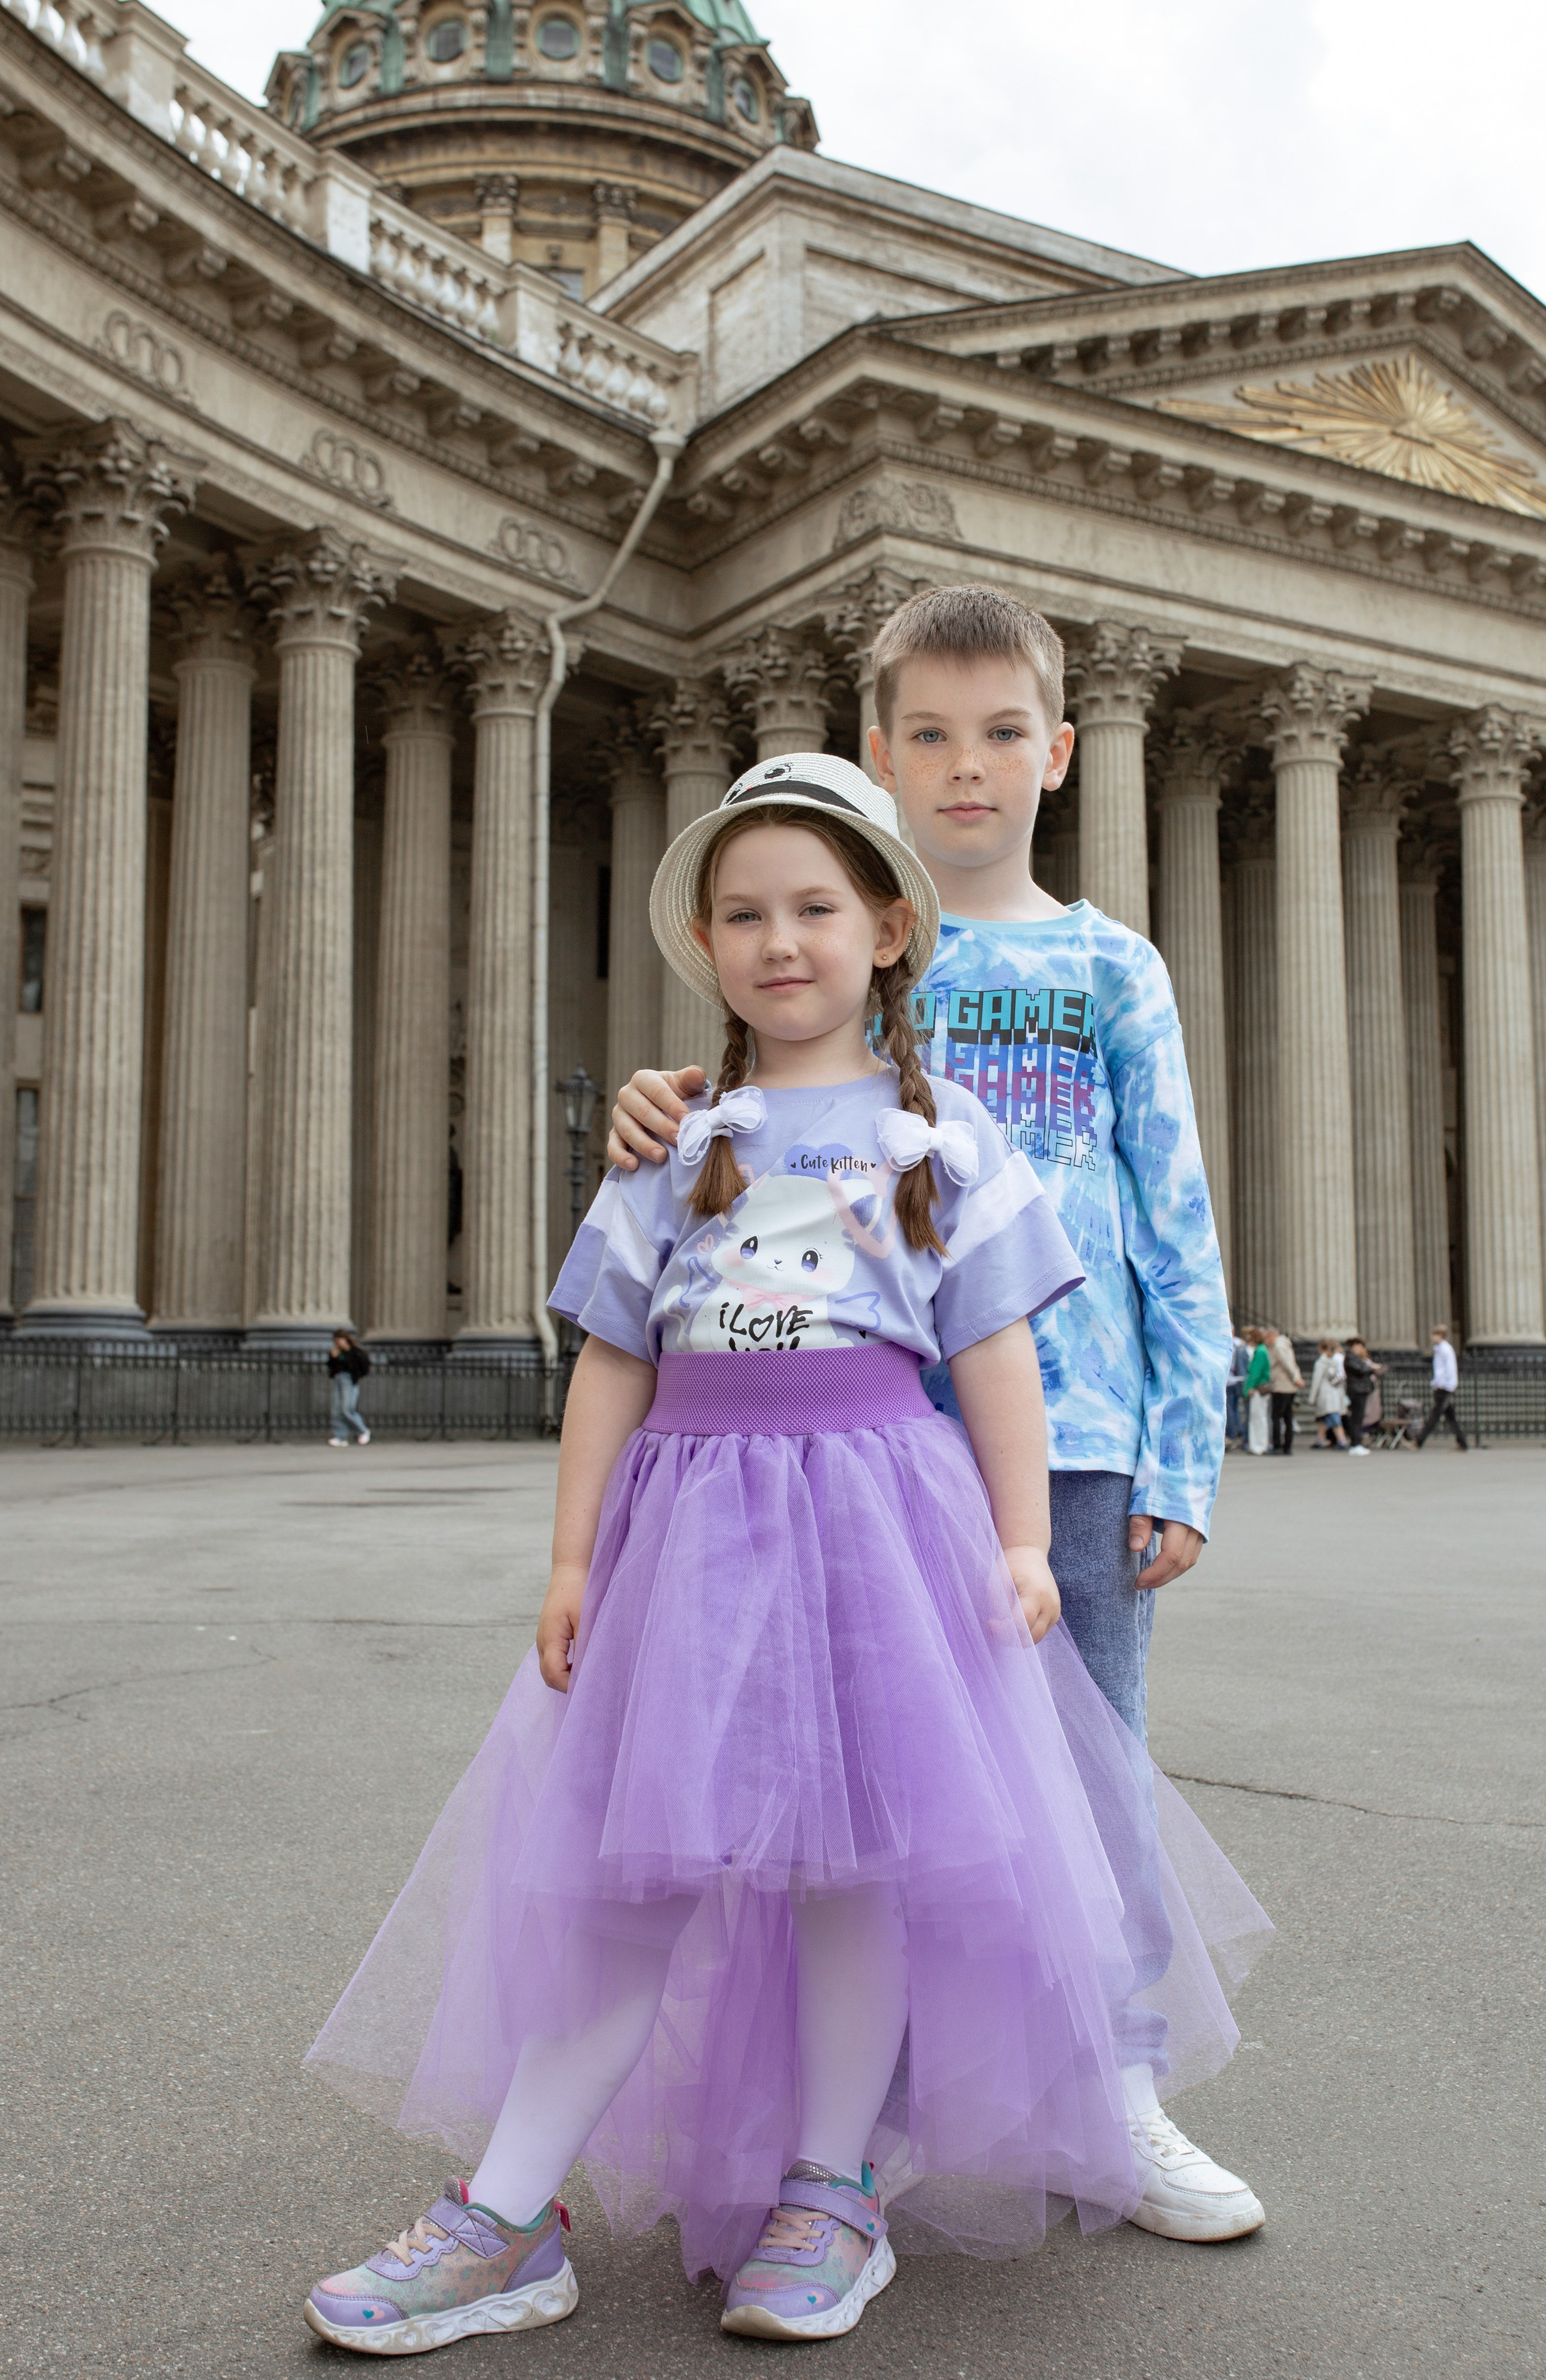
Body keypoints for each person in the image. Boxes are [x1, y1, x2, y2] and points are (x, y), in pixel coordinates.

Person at [301, 760, 1271, 2358]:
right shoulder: (679, 1138)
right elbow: (611, 1356)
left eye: (813, 907)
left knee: (858, 1871)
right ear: (703, 939)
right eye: (743, 912)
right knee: (629, 1868)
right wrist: (567, 1558)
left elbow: (1001, 1355)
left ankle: (831, 2193)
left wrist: (1026, 1539)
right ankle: (508, 2206)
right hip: (687, 1537)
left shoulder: (938, 1131)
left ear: (889, 929)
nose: (778, 939)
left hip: (886, 1526)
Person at [604, 588, 1258, 2235]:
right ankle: (865, 2118)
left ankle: (1115, 2081)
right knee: (860, 1783)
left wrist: (1183, 1449)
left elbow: (1171, 1211)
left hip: (1082, 1430)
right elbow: (754, 1086)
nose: (965, 769)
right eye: (927, 736)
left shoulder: (1111, 962)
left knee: (1086, 1767)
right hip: (867, 1446)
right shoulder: (836, 929)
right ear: (880, 754)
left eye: (998, 734)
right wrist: (660, 1095)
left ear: (1056, 749)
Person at [1415, 1326, 1469, 1451]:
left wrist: (1445, 1385)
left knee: (1434, 1416)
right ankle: (1463, 1442)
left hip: (1444, 1387)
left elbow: (1449, 1369)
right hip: (1442, 1386)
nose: (1432, 1337)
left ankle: (1419, 1441)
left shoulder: (1445, 1350)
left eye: (1434, 1334)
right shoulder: (1440, 1349)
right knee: (1451, 1416)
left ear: (1440, 1335)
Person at [327, 1331, 371, 1449]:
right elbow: (332, 1367)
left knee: (347, 1409)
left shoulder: (354, 1351)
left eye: (339, 1340)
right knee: (337, 1409)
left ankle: (362, 1431)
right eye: (336, 1341)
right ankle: (341, 1437)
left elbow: (363, 1365)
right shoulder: (337, 1352)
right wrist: (333, 1358)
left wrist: (357, 1376)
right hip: (338, 1379)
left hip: (350, 1380)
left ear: (345, 1339)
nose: (337, 1343)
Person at [1343, 1336, 1382, 1455]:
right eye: (1361, 1347)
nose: (1362, 1349)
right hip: (1356, 1391)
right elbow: (1362, 1369)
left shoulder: (1355, 1358)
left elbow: (1365, 1368)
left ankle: (1356, 1443)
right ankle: (1355, 1444)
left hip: (1361, 1390)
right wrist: (1372, 1368)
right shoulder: (1350, 1357)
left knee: (1359, 1418)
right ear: (1355, 1346)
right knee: (1357, 1418)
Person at [1266, 1325, 1301, 1457]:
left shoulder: (1278, 1346)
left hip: (1281, 1386)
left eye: (1266, 1338)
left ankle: (1277, 1446)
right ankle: (1288, 1446)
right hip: (1289, 1386)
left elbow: (1286, 1363)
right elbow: (1293, 1363)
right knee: (1288, 1417)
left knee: (1276, 1417)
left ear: (1271, 1336)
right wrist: (1297, 1377)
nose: (1266, 1342)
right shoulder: (1286, 1344)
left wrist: (1294, 1376)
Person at [1307, 1340, 1348, 1450]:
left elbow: (1317, 1381)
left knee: (1334, 1419)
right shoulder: (1335, 1362)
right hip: (1335, 1394)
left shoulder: (1321, 1363)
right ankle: (1319, 1441)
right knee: (1323, 1420)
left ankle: (1342, 1441)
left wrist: (1312, 1397)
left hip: (1326, 1395)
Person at [1243, 1327, 1271, 1454]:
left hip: (1258, 1388)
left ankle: (1258, 1446)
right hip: (1261, 1387)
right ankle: (1259, 1444)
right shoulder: (1263, 1350)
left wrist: (1251, 1387)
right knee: (1259, 1417)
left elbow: (1256, 1372)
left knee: (1257, 1417)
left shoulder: (1260, 1351)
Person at [1226, 1326, 1249, 1451]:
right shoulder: (1239, 1343)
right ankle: (1239, 1430)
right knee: (1235, 1409)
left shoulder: (1225, 1342)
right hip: (1236, 1379)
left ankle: (1232, 1434)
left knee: (1230, 1409)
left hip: (1230, 1380)